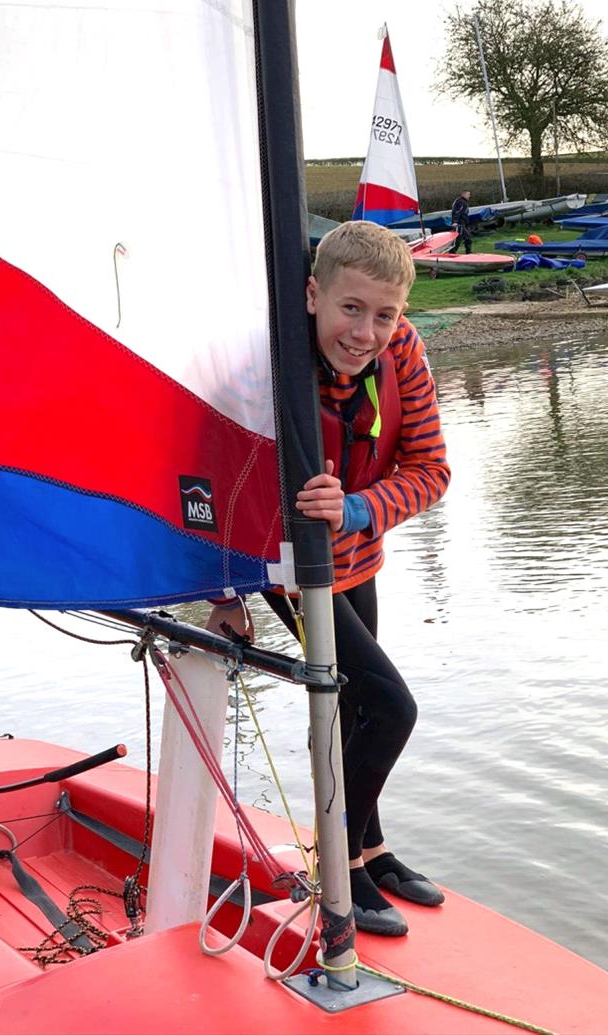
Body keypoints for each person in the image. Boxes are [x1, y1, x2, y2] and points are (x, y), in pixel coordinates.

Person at [207, 221, 450, 936]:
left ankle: (368, 847)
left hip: (357, 554)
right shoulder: (263, 368)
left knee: (352, 711)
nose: (366, 332)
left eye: (385, 314)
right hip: (291, 569)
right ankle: (335, 864)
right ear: (313, 294)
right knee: (391, 707)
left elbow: (432, 470)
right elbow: (215, 482)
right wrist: (225, 593)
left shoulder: (402, 349)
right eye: (351, 308)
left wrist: (357, 508)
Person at [450, 189, 473, 254]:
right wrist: (455, 221)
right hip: (459, 224)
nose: (469, 196)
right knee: (466, 238)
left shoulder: (462, 201)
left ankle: (452, 252)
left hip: (462, 223)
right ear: (463, 194)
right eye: (468, 194)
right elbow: (457, 212)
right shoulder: (461, 202)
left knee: (459, 238)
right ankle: (468, 252)